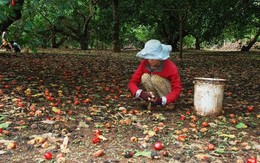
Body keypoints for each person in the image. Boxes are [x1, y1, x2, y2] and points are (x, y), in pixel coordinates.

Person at [128, 39, 182, 109]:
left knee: (155, 78)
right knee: (145, 77)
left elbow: (177, 89)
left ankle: (168, 103)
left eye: (153, 58)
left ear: (159, 58)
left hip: (168, 93)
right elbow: (132, 83)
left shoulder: (170, 66)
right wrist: (141, 93)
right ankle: (152, 99)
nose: (150, 61)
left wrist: (163, 100)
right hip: (154, 93)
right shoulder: (144, 63)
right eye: (148, 58)